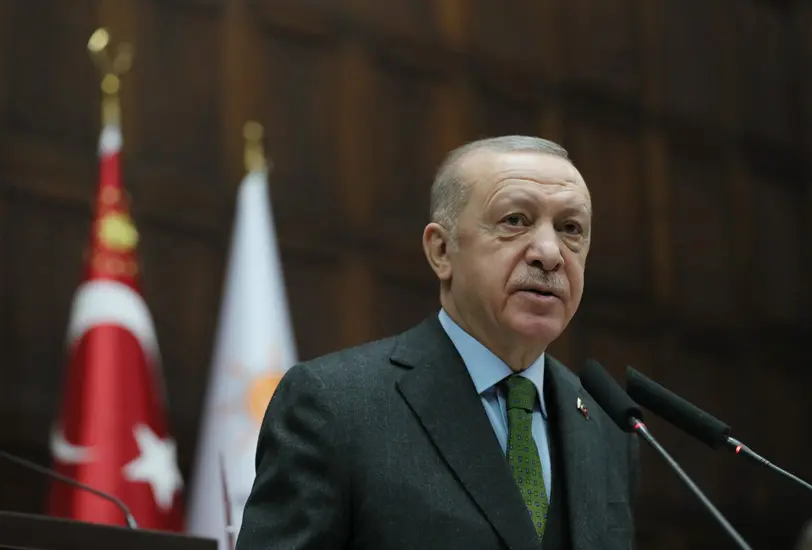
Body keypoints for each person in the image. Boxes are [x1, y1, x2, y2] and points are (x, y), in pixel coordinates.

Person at [235, 136, 639, 550]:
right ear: (442, 251)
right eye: (515, 220)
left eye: (570, 228)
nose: (550, 253)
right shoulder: (335, 405)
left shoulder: (607, 427)